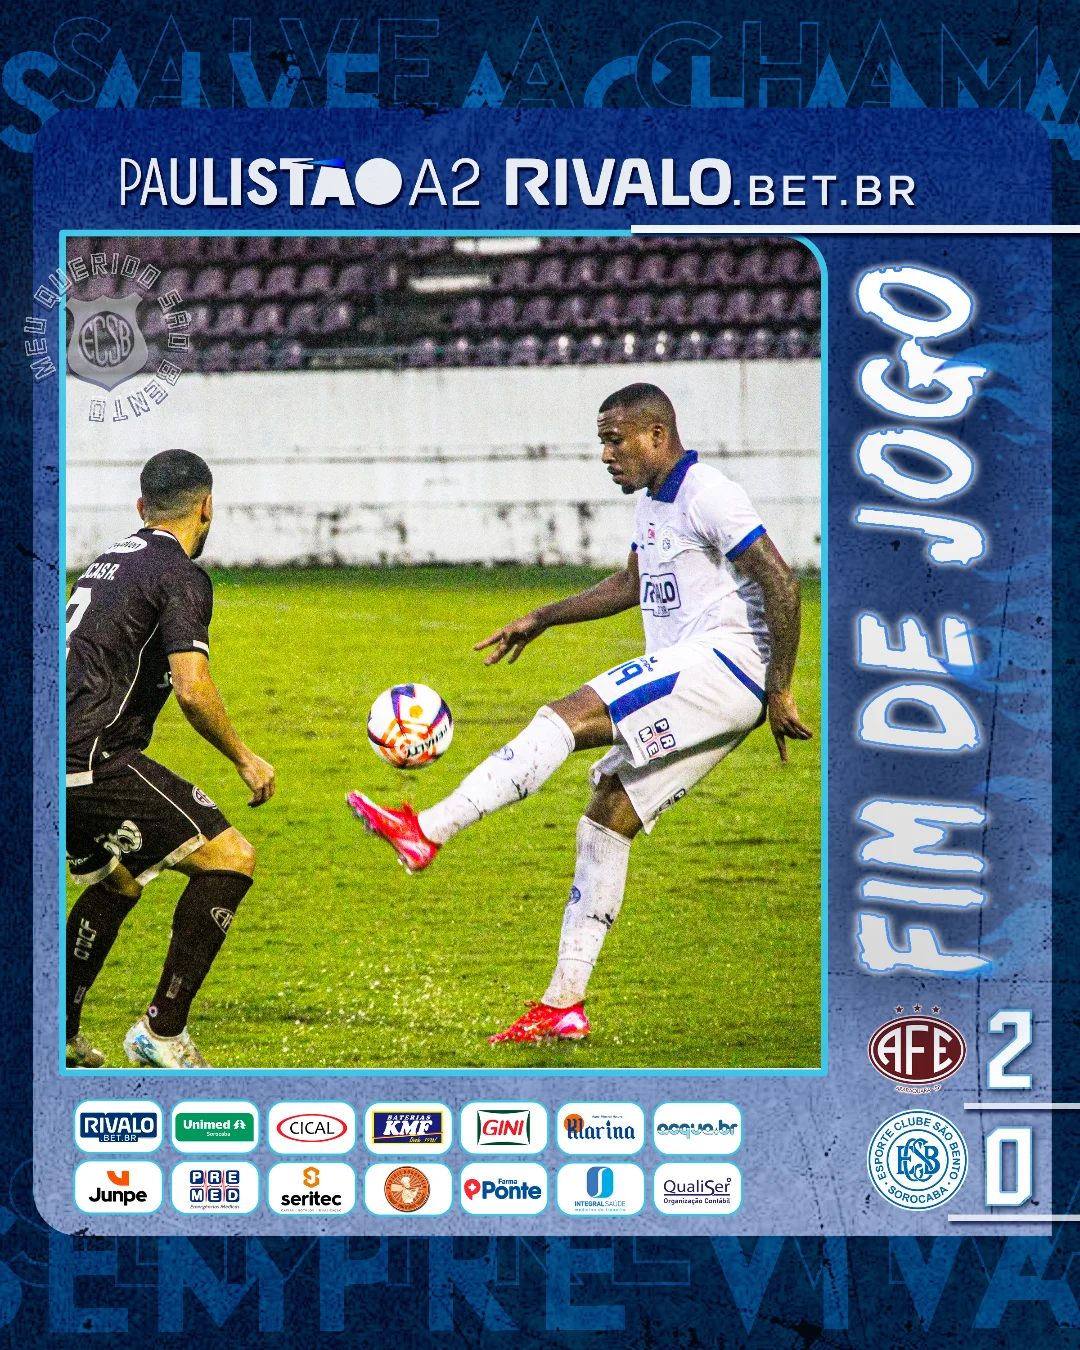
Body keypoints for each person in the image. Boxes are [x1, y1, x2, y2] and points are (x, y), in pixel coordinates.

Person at [348, 383, 811, 1044]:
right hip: (720, 685)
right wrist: (543, 617)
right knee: (607, 817)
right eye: (602, 441)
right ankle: (563, 1004)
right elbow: (630, 584)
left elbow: (781, 581)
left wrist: (780, 688)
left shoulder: (708, 493)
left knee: (567, 716)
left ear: (656, 434)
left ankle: (428, 830)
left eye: (615, 440)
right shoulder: (654, 503)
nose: (605, 454)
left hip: (724, 664)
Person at [65, 448, 275, 1069]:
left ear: (141, 507)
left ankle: (56, 1032)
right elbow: (191, 687)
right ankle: (161, 1032)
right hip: (93, 757)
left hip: (45, 752)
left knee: (117, 882)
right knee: (231, 857)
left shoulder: (105, 563)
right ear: (206, 506)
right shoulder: (179, 574)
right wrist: (244, 758)